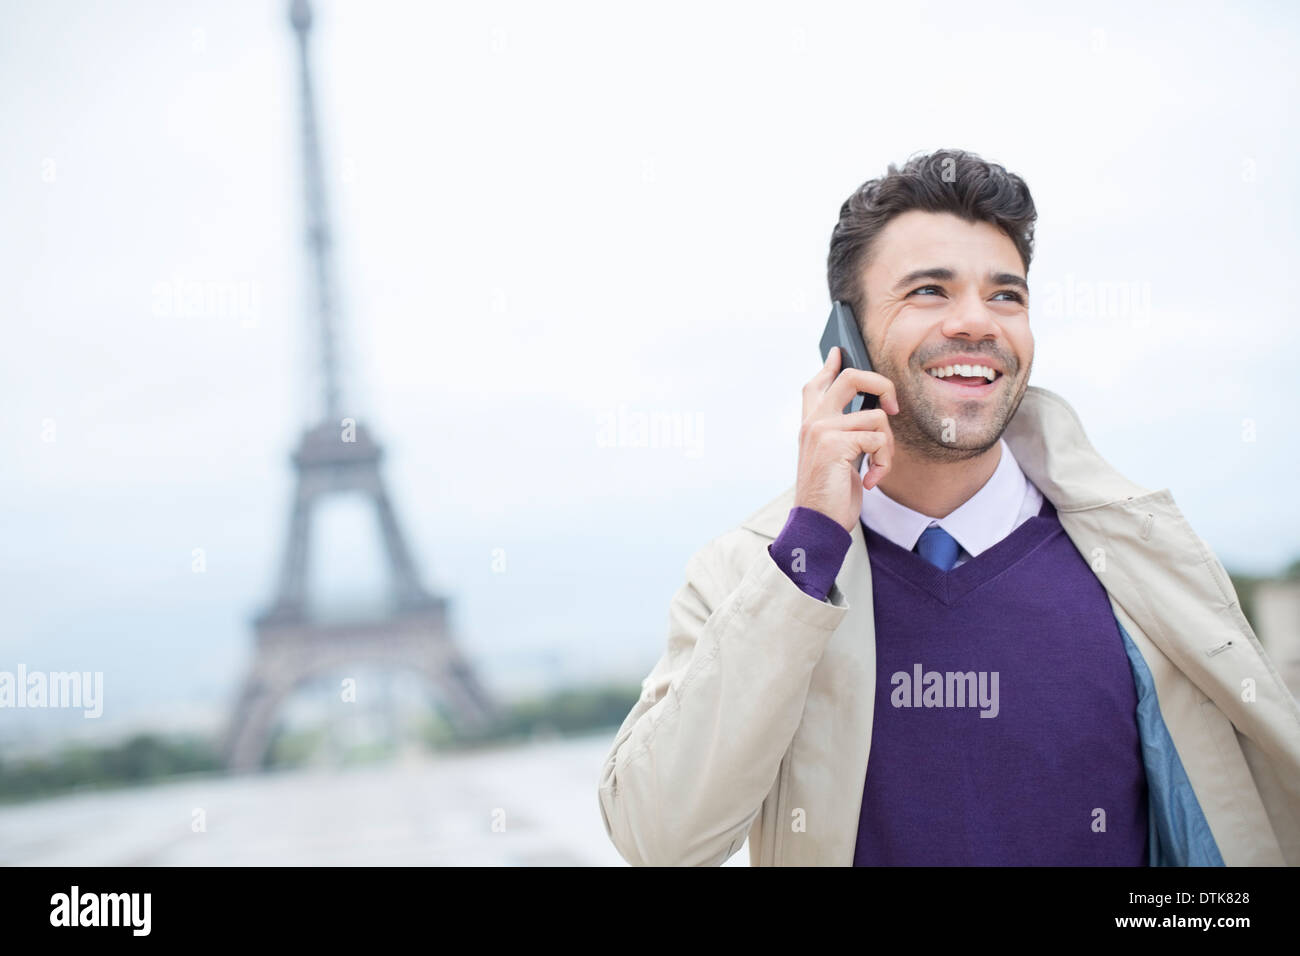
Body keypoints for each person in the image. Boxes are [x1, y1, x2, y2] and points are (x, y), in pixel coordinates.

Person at [596, 148, 1300, 867]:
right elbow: (660, 840)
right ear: (848, 337)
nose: (977, 322)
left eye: (1006, 295)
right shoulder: (753, 573)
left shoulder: (1141, 559)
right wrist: (808, 547)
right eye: (930, 290)